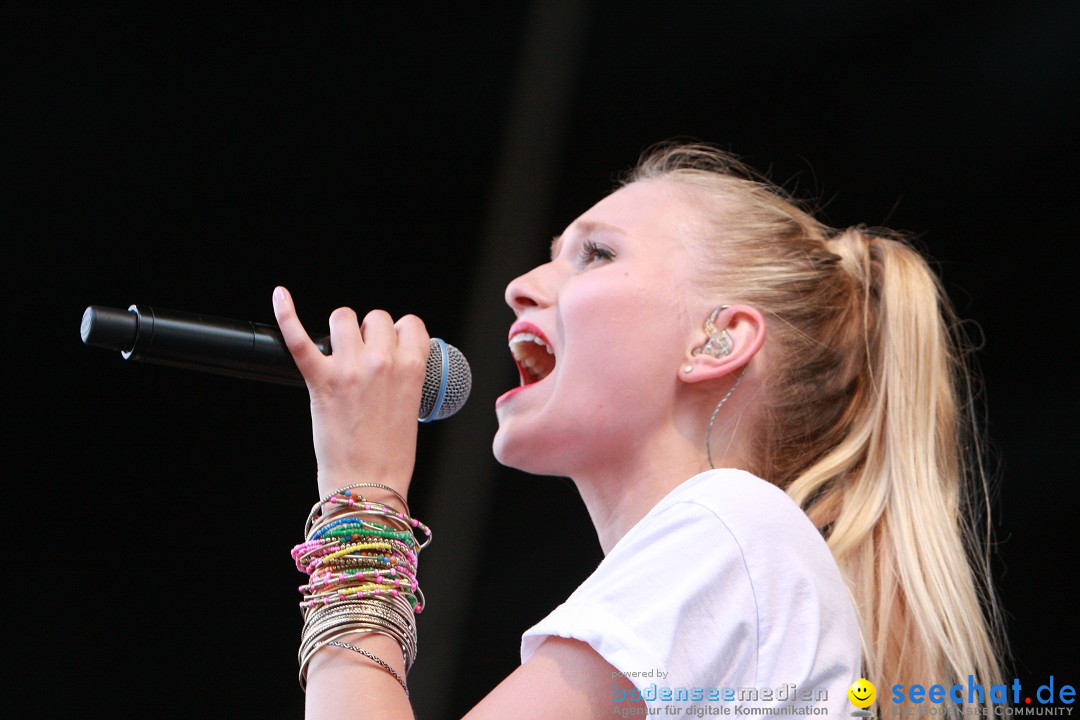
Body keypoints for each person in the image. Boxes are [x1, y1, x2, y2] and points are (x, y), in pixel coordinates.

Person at [273, 142, 1006, 719]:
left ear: (716, 341)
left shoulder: (733, 529)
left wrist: (360, 498)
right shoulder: (737, 558)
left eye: (596, 253)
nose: (520, 283)